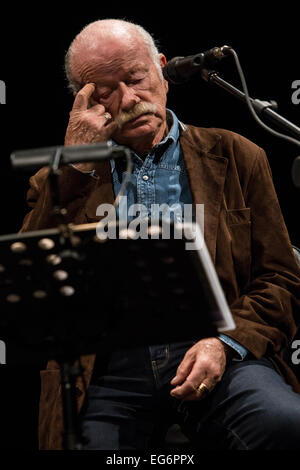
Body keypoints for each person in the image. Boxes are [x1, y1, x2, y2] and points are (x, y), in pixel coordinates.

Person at [20, 19, 300, 450]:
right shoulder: (57, 181)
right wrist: (76, 164)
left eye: (136, 78)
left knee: (284, 423)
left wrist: (225, 344)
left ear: (162, 69)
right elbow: (30, 286)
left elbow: (280, 278)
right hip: (109, 371)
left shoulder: (237, 155)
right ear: (84, 101)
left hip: (220, 352)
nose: (130, 99)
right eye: (106, 91)